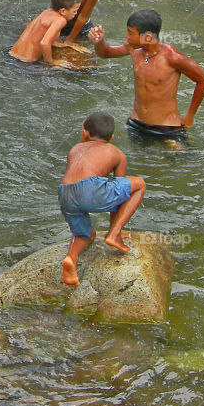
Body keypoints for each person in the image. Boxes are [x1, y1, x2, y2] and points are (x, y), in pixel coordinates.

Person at [89, 9, 204, 141]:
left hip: (167, 129)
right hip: (136, 123)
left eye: (130, 32)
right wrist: (99, 42)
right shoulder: (133, 48)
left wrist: (190, 115)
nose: (126, 36)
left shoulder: (172, 57)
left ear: (147, 37)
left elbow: (203, 80)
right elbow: (105, 53)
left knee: (179, 154)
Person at [59, 112, 146, 287]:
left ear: (85, 133)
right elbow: (120, 194)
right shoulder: (117, 153)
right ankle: (114, 234)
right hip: (90, 189)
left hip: (64, 193)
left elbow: (75, 177)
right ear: (111, 137)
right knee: (139, 184)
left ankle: (71, 258)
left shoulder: (75, 149)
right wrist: (115, 229)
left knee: (85, 235)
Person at [9, 0, 82, 65]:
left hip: (12, 54)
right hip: (26, 62)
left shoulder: (46, 12)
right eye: (74, 11)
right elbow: (45, 43)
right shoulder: (60, 20)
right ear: (63, 11)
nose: (76, 14)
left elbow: (45, 39)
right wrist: (51, 62)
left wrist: (65, 45)